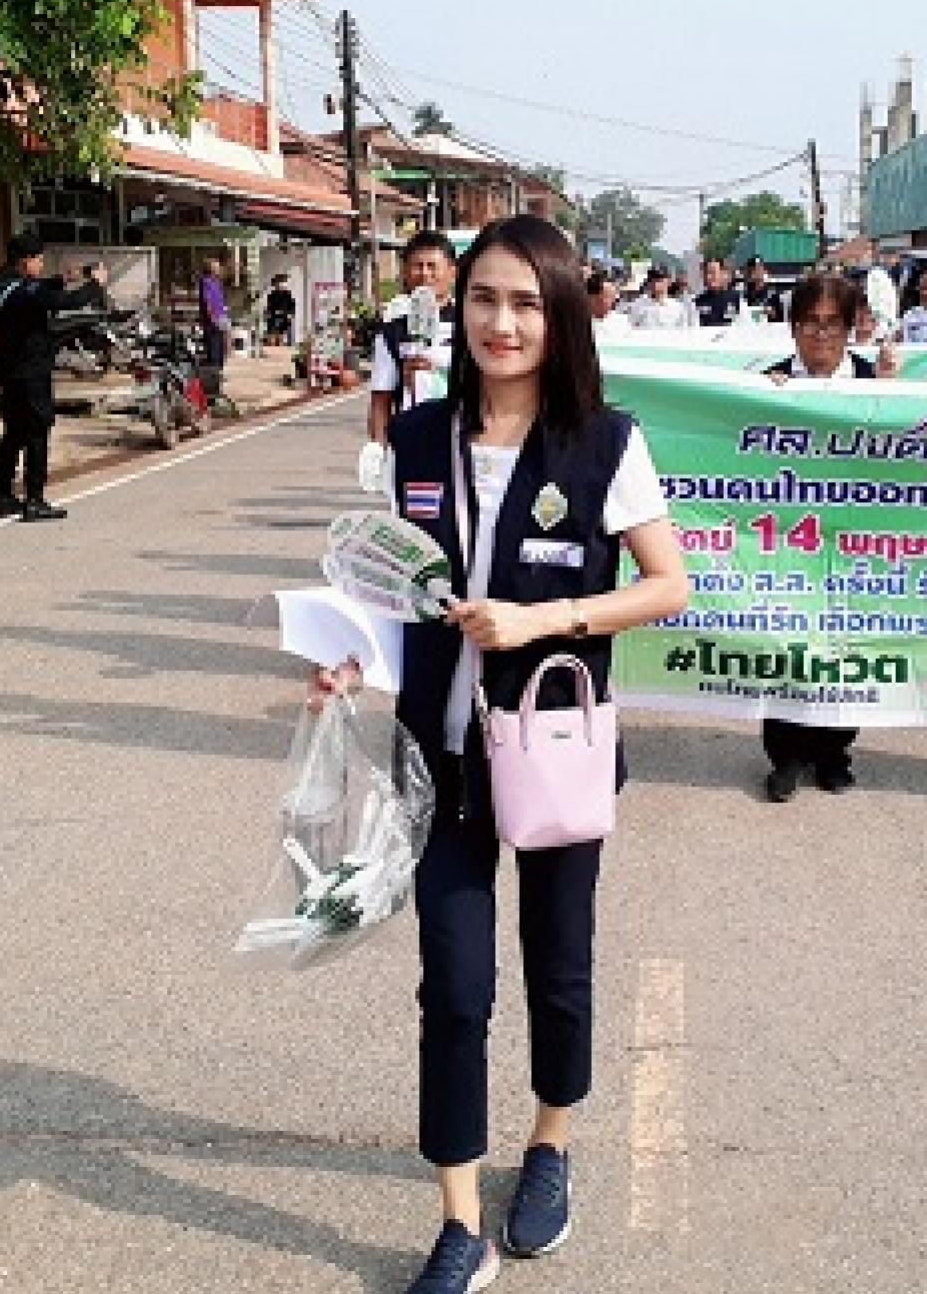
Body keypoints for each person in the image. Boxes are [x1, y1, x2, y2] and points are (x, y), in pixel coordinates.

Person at [314, 215, 690, 1294]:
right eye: (483, 297)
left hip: (553, 754)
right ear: (457, 306)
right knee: (453, 989)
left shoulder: (603, 442)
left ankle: (550, 1146)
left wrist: (546, 619)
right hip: (440, 764)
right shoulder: (418, 439)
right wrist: (349, 658)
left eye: (526, 302)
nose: (502, 322)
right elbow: (395, 585)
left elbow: (668, 584)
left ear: (561, 314)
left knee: (558, 972)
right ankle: (459, 1226)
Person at [760, 274, 900, 802]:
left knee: (845, 647)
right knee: (785, 645)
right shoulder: (767, 382)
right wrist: (763, 400)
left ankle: (834, 753)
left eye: (832, 323)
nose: (821, 334)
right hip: (789, 542)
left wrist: (890, 395)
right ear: (793, 328)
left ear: (851, 327)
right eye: (810, 323)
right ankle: (785, 757)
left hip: (851, 543)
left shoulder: (873, 380)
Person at [0, 232, 91, 521]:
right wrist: (94, 285)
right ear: (25, 262)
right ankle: (35, 499)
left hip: (10, 371)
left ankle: (4, 496)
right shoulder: (25, 292)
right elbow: (66, 302)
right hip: (31, 371)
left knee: (13, 433)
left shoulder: (2, 284)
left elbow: (40, 287)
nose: (42, 264)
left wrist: (65, 277)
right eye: (39, 259)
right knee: (37, 431)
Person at [370, 230, 461, 444]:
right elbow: (381, 400)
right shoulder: (391, 333)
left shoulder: (471, 326)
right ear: (405, 272)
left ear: (452, 272)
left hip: (463, 439)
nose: (424, 274)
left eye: (432, 266)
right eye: (417, 266)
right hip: (413, 441)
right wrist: (380, 450)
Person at [198, 255, 233, 398]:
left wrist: (224, 310)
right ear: (210, 269)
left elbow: (219, 300)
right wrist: (212, 318)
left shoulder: (217, 282)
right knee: (214, 349)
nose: (219, 269)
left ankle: (218, 373)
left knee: (223, 348)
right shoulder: (206, 282)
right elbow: (207, 302)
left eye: (219, 266)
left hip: (221, 317)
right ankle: (213, 378)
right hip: (214, 320)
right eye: (216, 267)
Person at [627, 266, 697, 330]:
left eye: (659, 279)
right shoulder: (638, 304)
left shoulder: (677, 307)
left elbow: (682, 330)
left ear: (668, 282)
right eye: (652, 280)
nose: (655, 283)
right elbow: (632, 327)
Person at [691, 258, 741, 327]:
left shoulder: (737, 299)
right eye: (706, 273)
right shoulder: (698, 301)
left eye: (712, 272)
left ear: (724, 274)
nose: (708, 277)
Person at [587, 270, 630, 335]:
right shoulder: (579, 322)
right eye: (608, 297)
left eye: (613, 297)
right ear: (593, 299)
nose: (613, 302)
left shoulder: (620, 321)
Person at [264, 273, 297, 346]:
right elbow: (269, 308)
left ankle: (282, 345)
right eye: (278, 283)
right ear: (275, 284)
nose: (280, 285)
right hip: (274, 320)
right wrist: (271, 313)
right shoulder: (271, 296)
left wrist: (289, 314)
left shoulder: (288, 295)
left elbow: (292, 308)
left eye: (283, 282)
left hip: (284, 320)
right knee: (273, 338)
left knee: (283, 339)